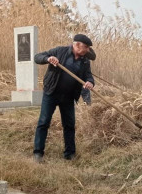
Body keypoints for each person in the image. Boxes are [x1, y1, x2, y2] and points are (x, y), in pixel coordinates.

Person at [33, 34, 96, 163]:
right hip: (51, 93)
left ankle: (70, 154)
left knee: (69, 125)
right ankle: (38, 153)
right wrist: (48, 58)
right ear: (77, 45)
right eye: (86, 47)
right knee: (44, 122)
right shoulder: (59, 51)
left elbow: (88, 76)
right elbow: (37, 57)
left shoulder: (85, 61)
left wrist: (90, 82)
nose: (87, 50)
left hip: (69, 96)